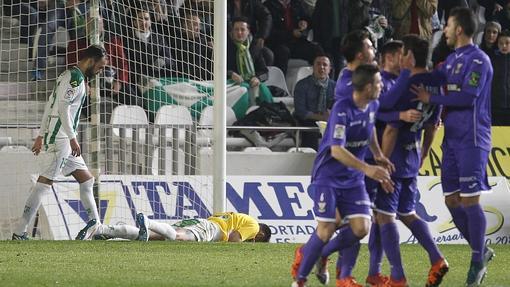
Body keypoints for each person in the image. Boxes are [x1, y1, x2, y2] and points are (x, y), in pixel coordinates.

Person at [290, 64, 395, 287]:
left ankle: (322, 254)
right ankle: (300, 281)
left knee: (361, 228)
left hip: (353, 178)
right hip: (328, 176)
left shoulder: (373, 104)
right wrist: (367, 169)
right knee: (327, 229)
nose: (381, 86)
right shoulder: (342, 109)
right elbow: (336, 151)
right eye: (377, 83)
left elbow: (371, 128)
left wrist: (377, 155)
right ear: (367, 87)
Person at [412, 7, 495, 286]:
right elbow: (433, 85)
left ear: (459, 28)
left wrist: (433, 97)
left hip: (473, 137)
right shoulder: (449, 62)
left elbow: (468, 97)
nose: (444, 30)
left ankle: (475, 262)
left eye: (447, 25)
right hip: (451, 139)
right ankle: (481, 250)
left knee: (470, 201)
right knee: (451, 200)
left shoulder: (479, 60)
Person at [11, 45, 108, 240]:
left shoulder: (68, 75)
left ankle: (96, 228)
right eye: (100, 67)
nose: (100, 71)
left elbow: (50, 103)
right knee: (44, 182)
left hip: (61, 137)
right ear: (90, 61)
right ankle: (19, 231)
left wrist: (40, 135)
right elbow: (62, 108)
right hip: (61, 139)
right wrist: (72, 139)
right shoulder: (75, 79)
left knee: (87, 180)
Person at [376, 35, 449, 287]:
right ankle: (437, 258)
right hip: (412, 157)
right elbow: (432, 126)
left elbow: (391, 129)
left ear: (409, 56)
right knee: (407, 213)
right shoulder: (435, 86)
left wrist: (382, 161)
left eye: (403, 53)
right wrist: (425, 153)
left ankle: (398, 278)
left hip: (394, 159)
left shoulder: (407, 86)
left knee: (385, 217)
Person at [76, 212, 271, 243]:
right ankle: (149, 221)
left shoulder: (239, 216)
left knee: (151, 237)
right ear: (260, 234)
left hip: (201, 222)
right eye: (256, 240)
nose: (252, 241)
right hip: (210, 229)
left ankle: (101, 230)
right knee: (177, 237)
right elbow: (235, 238)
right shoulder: (253, 225)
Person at [227, 16, 274, 118]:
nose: (239, 33)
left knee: (263, 90)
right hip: (232, 84)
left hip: (251, 83)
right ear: (232, 32)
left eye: (242, 29)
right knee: (244, 89)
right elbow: (217, 68)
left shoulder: (254, 48)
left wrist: (257, 78)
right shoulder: (226, 46)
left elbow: (264, 72)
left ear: (248, 31)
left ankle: (268, 121)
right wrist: (231, 74)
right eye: (236, 30)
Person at [293, 53, 335, 150]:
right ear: (313, 67)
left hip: (329, 120)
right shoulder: (302, 85)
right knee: (311, 131)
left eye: (325, 65)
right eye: (318, 64)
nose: (321, 67)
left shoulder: (335, 87)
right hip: (307, 120)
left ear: (329, 69)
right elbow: (300, 111)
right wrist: (321, 117)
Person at [491, 29, 510, 125]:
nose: (504, 46)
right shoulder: (491, 60)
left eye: (507, 43)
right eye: (501, 43)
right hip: (495, 107)